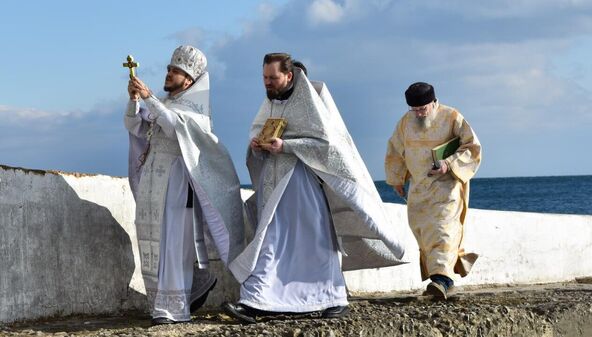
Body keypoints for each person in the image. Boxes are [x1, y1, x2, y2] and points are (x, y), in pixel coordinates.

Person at [224, 53, 405, 323]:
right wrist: (257, 144)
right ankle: (256, 300)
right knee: (270, 240)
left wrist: (287, 146)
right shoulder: (271, 102)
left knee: (316, 242)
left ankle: (332, 297)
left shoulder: (310, 103)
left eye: (272, 78)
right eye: (264, 77)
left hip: (301, 184)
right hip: (274, 184)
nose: (267, 83)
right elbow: (260, 130)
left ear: (289, 75)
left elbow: (326, 147)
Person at [125, 45, 245, 325]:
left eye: (175, 71)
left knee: (174, 242)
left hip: (178, 183)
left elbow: (173, 126)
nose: (168, 74)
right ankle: (160, 304)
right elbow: (134, 126)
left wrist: (148, 97)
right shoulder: (163, 105)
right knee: (155, 241)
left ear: (189, 80)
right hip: (154, 182)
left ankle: (174, 308)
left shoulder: (196, 112)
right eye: (168, 69)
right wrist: (134, 102)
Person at [385, 82, 482, 300]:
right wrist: (397, 179)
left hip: (447, 188)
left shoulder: (452, 117)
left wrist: (448, 164)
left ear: (433, 102)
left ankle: (441, 281)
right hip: (419, 189)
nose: (419, 114)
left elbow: (472, 147)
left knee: (444, 230)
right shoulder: (405, 122)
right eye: (415, 110)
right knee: (425, 234)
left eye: (423, 109)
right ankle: (445, 275)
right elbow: (395, 150)